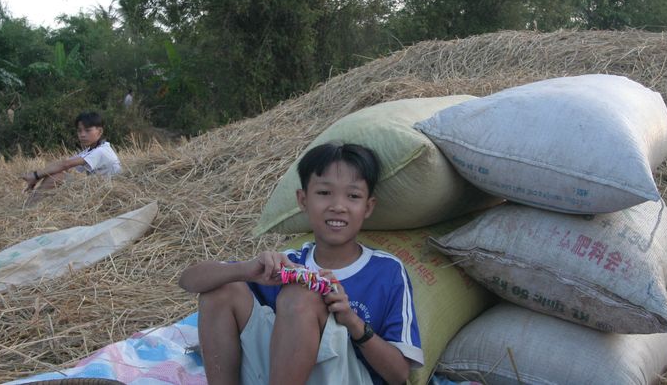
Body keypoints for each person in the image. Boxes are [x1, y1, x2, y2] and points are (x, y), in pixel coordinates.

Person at [179, 142, 423, 385]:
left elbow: (400, 374)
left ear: (368, 207)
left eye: (353, 196)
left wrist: (352, 321)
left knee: (301, 296)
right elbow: (188, 280)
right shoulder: (290, 263)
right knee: (221, 289)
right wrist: (248, 270)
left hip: (347, 377)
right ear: (303, 200)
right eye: (324, 193)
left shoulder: (386, 271)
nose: (338, 206)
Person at [21, 111, 122, 202]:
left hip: (109, 194)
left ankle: (29, 207)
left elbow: (66, 165)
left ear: (100, 131)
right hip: (96, 190)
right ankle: (30, 205)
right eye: (79, 131)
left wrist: (35, 175)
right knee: (55, 174)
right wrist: (37, 177)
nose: (82, 135)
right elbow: (62, 164)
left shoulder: (102, 151)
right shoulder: (90, 150)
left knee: (57, 177)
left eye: (87, 130)